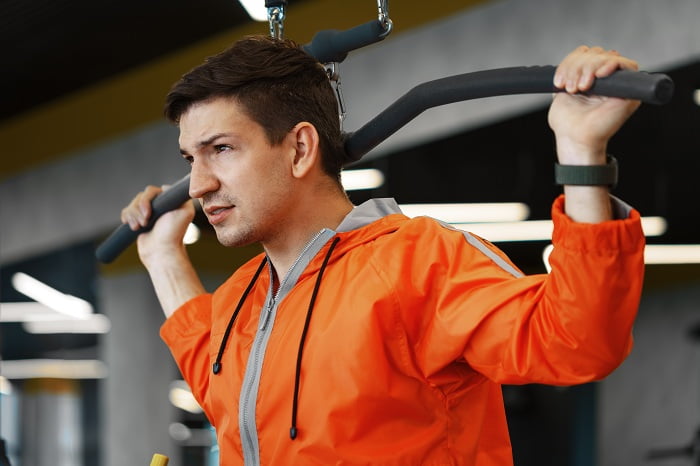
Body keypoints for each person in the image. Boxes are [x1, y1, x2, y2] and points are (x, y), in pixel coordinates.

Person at [121, 36, 644, 465]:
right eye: (191, 157)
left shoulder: (416, 263)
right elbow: (221, 385)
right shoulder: (244, 296)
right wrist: (163, 255)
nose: (196, 185)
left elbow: (578, 342)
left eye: (221, 150)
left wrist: (580, 152)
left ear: (301, 148)